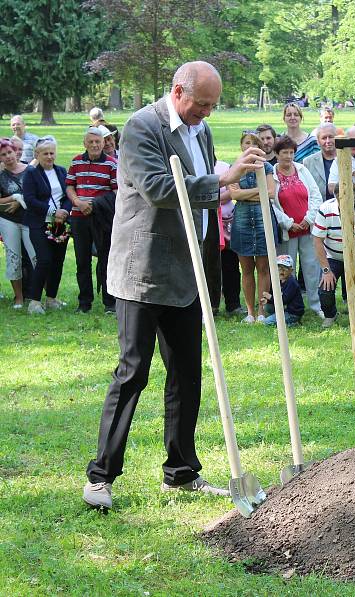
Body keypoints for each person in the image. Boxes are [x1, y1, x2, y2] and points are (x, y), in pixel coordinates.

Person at [83, 61, 267, 510]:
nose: (207, 113)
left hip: (188, 273)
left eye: (212, 106)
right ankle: (100, 477)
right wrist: (223, 179)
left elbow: (203, 190)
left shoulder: (199, 131)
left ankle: (181, 472)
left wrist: (231, 186)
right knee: (133, 372)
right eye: (202, 103)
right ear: (178, 91)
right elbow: (158, 188)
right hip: (142, 271)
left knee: (186, 373)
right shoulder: (141, 127)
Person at [228, 132, 279, 324]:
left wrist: (244, 193)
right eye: (247, 143)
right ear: (242, 146)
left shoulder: (265, 167)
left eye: (254, 143)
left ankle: (262, 310)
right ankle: (249, 311)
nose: (250, 146)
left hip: (262, 218)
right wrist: (259, 191)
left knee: (264, 268)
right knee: (246, 268)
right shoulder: (236, 168)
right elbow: (234, 195)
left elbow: (271, 194)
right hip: (242, 220)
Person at [65, 127, 118, 313]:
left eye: (98, 142)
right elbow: (70, 186)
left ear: (104, 143)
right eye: (91, 142)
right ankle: (84, 302)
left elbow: (116, 191)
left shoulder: (111, 164)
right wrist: (78, 202)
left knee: (105, 259)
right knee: (82, 261)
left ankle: (109, 303)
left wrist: (95, 204)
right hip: (78, 217)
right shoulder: (76, 162)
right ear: (85, 144)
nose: (94, 145)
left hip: (101, 218)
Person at [312, 182, 355, 327]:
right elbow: (317, 241)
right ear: (335, 196)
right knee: (325, 287)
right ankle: (330, 315)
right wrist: (326, 270)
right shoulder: (325, 209)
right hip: (333, 256)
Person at [272, 134, 324, 316]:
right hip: (288, 231)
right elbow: (271, 204)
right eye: (284, 152)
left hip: (307, 228)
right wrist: (288, 223)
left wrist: (308, 219)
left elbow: (316, 195)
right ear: (276, 154)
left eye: (291, 152)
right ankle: (289, 305)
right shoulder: (271, 173)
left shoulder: (301, 169)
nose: (288, 156)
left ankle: (316, 305)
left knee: (311, 267)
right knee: (286, 269)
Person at [21, 137, 70, 315]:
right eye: (45, 153)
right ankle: (34, 301)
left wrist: (64, 211)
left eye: (52, 153)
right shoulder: (31, 173)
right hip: (38, 223)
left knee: (58, 261)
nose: (49, 157)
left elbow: (68, 195)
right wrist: (52, 212)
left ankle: (51, 298)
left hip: (60, 224)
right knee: (44, 260)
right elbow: (30, 200)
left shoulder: (62, 171)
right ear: (37, 155)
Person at [0, 137, 34, 308]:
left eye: (10, 152)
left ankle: (41, 296)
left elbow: (39, 192)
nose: (8, 157)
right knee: (13, 259)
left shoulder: (31, 170)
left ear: (16, 152)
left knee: (36, 256)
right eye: (3, 154)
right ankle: (19, 298)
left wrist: (19, 201)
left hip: (30, 219)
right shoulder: (1, 175)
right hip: (8, 221)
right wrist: (13, 197)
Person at [214, 159, 243, 317]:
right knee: (210, 267)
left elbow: (232, 191)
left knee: (231, 264)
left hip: (227, 224)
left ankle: (233, 304)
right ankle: (213, 305)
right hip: (207, 223)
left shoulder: (224, 167)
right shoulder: (192, 164)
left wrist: (210, 198)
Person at [260, 254, 304, 326]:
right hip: (285, 309)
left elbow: (284, 300)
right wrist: (267, 300)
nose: (281, 271)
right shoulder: (279, 281)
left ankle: (293, 323)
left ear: (291, 270)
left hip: (293, 312)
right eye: (279, 268)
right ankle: (279, 317)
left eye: (285, 268)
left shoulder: (291, 283)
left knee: (267, 322)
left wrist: (270, 297)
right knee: (267, 306)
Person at [303, 123, 338, 202]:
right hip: (320, 208)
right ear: (318, 142)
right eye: (324, 138)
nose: (328, 141)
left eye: (331, 137)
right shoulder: (308, 162)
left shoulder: (347, 159)